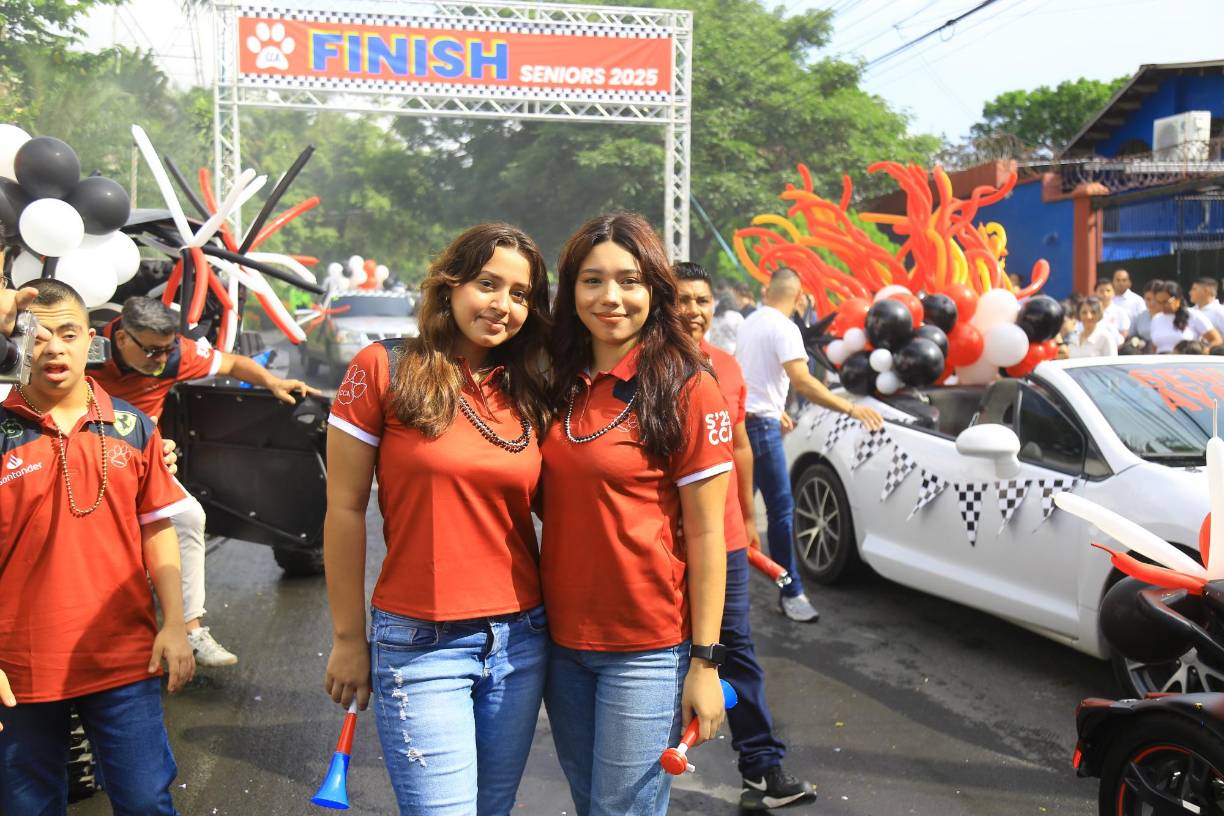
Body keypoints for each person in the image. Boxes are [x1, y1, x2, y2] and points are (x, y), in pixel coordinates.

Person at [323, 224, 553, 815]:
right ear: (449, 287)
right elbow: (344, 509)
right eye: (487, 284)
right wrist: (350, 638)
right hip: (421, 644)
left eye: (521, 294)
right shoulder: (383, 367)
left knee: (493, 809)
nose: (503, 305)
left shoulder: (531, 389)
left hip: (520, 641)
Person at [541, 212, 732, 816]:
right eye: (592, 280)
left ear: (655, 288)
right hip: (559, 644)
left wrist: (705, 662)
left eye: (629, 280)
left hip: (646, 650)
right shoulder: (554, 380)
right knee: (589, 805)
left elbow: (707, 536)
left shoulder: (687, 388)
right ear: (570, 291)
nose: (611, 298)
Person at [0, 279, 195, 814]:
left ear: (92, 340)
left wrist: (175, 624)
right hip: (19, 667)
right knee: (27, 806)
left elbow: (158, 530)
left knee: (145, 801)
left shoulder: (134, 428)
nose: (54, 348)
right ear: (18, 342)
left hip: (122, 659)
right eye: (37, 337)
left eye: (67, 334)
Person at [93, 297, 318, 667]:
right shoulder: (85, 355)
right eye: (151, 351)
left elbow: (231, 362)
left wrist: (272, 382)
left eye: (166, 350)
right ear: (121, 339)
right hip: (81, 458)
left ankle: (190, 628)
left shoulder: (177, 354)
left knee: (188, 516)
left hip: (142, 460)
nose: (161, 360)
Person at [675, 261, 818, 811]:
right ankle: (638, 779)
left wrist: (749, 517)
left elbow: (739, 447)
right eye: (681, 300)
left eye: (702, 300)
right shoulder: (648, 369)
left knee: (737, 653)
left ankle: (761, 770)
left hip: (728, 541)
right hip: (667, 544)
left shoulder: (728, 368)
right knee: (657, 660)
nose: (692, 311)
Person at [735, 268, 882, 623]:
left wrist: (773, 410)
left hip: (742, 424)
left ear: (766, 290)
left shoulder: (750, 322)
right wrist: (851, 408)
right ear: (799, 298)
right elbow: (803, 382)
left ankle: (723, 597)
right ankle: (791, 590)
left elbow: (750, 379)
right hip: (759, 430)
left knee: (737, 516)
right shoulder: (785, 328)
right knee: (781, 514)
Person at [1150, 281, 1223, 352]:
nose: (1162, 306)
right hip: (1161, 362)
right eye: (1158, 302)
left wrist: (1202, 353)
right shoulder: (1156, 319)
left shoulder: (1194, 315)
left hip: (1186, 362)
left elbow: (1216, 340)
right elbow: (1155, 347)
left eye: (1165, 302)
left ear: (1177, 299)